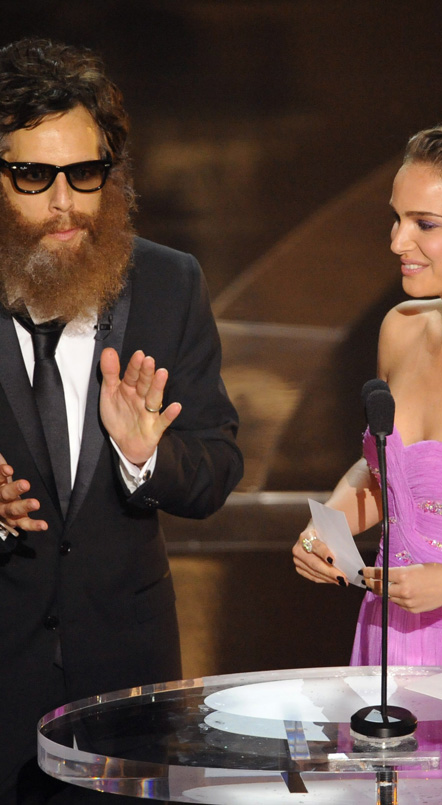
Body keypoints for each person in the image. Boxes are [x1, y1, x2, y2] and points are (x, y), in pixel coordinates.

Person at [0, 38, 243, 802]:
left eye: (86, 174)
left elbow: (215, 469)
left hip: (125, 696)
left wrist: (148, 459)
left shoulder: (170, 282)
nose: (65, 203)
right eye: (34, 176)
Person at [293, 113, 442, 669]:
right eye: (396, 218)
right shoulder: (401, 329)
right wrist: (328, 524)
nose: (396, 241)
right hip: (392, 640)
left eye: (424, 224)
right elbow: (389, 472)